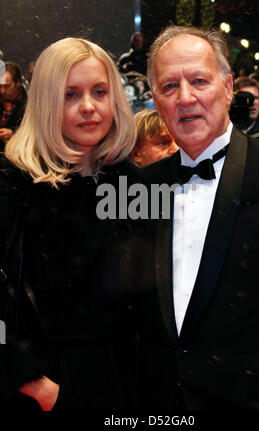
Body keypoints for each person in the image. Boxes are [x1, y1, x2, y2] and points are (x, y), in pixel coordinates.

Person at [138, 25, 259, 411]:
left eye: (199, 80)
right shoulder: (140, 187)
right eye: (169, 87)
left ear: (228, 88)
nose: (186, 97)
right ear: (155, 100)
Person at [0, 37, 139, 411]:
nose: (89, 107)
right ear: (46, 101)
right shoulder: (12, 184)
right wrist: (31, 382)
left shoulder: (131, 182)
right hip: (49, 390)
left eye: (99, 91)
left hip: (127, 386)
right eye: (70, 95)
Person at [0, 61, 27, 151]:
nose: (3, 91)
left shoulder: (28, 106)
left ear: (18, 82)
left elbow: (33, 134)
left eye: (7, 86)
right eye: (0, 86)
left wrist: (13, 134)